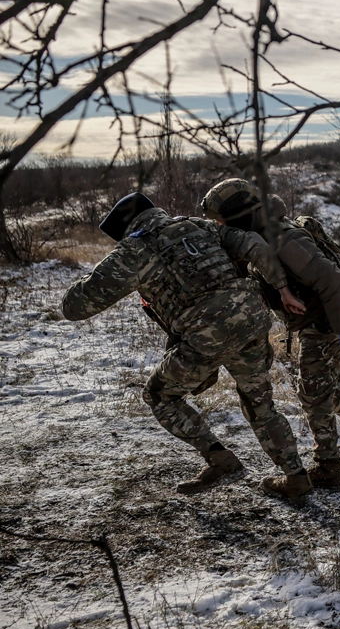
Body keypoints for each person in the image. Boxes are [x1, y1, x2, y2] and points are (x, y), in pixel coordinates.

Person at [61, 193, 313, 500]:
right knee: (259, 401)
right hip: (250, 319)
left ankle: (220, 460)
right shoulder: (198, 225)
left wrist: (102, 270)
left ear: (126, 229)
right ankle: (296, 476)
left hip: (205, 333)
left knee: (159, 394)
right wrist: (281, 288)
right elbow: (254, 245)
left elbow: (73, 307)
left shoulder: (132, 251)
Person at [200, 179, 340, 490]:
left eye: (220, 219)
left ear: (236, 213)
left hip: (327, 320)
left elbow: (335, 283)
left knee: (312, 393)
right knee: (326, 388)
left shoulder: (283, 239)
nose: (218, 226)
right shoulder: (261, 234)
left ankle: (328, 467)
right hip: (322, 319)